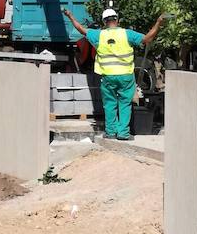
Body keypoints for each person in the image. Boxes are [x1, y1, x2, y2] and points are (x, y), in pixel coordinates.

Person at [63, 8, 165, 141]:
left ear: (104, 21)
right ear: (117, 19)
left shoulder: (99, 35)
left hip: (108, 77)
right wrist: (158, 22)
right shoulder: (127, 34)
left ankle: (111, 132)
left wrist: (71, 16)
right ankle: (123, 133)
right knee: (125, 103)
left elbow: (81, 29)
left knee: (110, 104)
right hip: (125, 76)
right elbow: (147, 38)